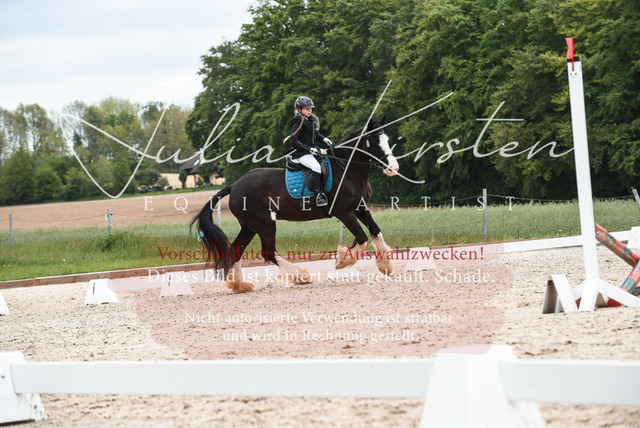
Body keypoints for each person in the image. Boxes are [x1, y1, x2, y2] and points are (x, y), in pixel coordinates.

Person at [286, 96, 333, 206]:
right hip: (301, 153)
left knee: (326, 161)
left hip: (310, 151)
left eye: (310, 109)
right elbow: (293, 141)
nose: (310, 111)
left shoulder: (309, 119)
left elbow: (314, 134)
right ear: (299, 110)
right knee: (316, 167)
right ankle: (318, 195)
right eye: (307, 109)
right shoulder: (297, 121)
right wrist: (309, 149)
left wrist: (324, 139)